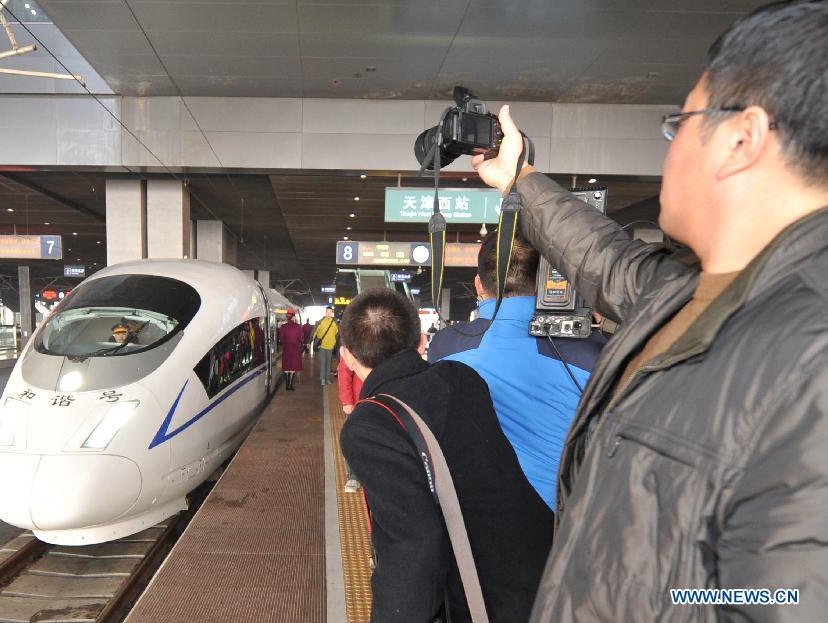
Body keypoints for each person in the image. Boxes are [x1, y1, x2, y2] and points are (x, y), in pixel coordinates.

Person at [472, 3, 828, 620]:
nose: (670, 144)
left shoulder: (811, 356)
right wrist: (519, 180)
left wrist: (660, 598)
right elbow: (604, 259)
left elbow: (783, 599)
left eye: (680, 121)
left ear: (742, 139)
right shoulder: (693, 292)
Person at [339, 289, 552, 622]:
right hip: (544, 572)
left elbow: (412, 549)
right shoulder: (462, 378)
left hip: (481, 602)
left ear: (347, 357)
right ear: (422, 340)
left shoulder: (370, 425)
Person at [428, 230, 605, 511]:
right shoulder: (593, 352)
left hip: (473, 523)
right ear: (548, 283)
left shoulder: (444, 347)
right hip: (565, 523)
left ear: (478, 285)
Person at [336, 355, 363, 493]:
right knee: (353, 438)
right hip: (358, 400)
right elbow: (344, 370)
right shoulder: (355, 337)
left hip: (384, 397)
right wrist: (347, 400)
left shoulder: (392, 337)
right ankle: (354, 475)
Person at [311, 307, 339, 386]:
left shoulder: (335, 322)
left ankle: (327, 379)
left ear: (332, 313)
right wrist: (309, 341)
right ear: (325, 313)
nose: (329, 313)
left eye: (330, 312)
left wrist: (334, 343)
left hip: (330, 347)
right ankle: (323, 379)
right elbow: (314, 332)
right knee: (323, 363)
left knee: (328, 364)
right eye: (328, 312)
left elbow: (337, 334)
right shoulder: (320, 322)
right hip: (322, 346)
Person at [277, 310, 303, 391]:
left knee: (286, 367)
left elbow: (281, 340)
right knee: (292, 368)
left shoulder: (283, 327)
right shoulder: (298, 327)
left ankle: (287, 385)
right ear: (293, 317)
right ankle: (290, 385)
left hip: (286, 349)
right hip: (295, 350)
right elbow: (301, 339)